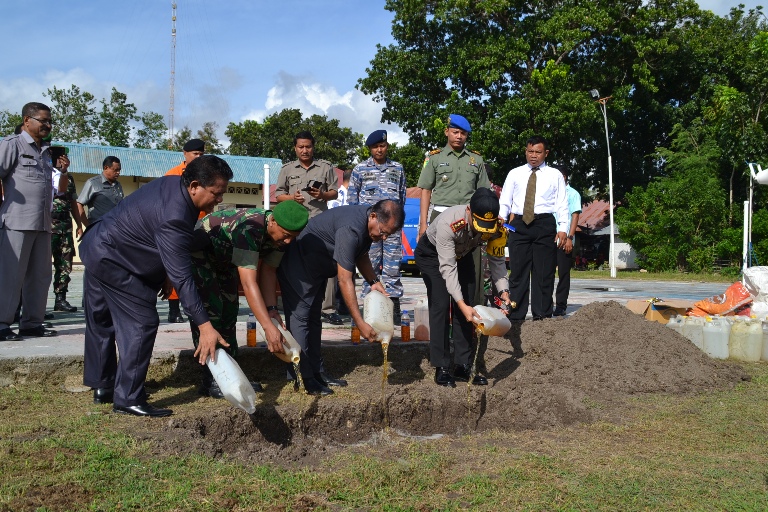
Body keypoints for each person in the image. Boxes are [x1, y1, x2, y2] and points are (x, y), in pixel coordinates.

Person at [80, 155, 233, 417]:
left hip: (97, 245)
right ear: (195, 185)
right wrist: (205, 326)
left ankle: (103, 386)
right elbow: (183, 277)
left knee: (101, 320)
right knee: (142, 322)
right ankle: (127, 398)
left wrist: (164, 271)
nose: (219, 200)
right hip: (115, 259)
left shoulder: (174, 184)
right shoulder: (176, 215)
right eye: (216, 194)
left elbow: (153, 233)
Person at [277, 199, 405, 396]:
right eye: (384, 232)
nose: (384, 237)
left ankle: (317, 372)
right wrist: (359, 322)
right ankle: (303, 378)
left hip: (315, 269)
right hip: (299, 265)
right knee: (300, 319)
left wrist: (373, 281)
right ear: (373, 216)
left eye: (389, 234)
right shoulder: (351, 229)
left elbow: (360, 254)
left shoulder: (368, 226)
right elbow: (345, 280)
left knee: (313, 320)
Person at [189, 200, 309, 398]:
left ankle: (232, 375)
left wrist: (271, 309)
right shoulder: (251, 228)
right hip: (201, 253)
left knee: (229, 312)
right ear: (272, 222)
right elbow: (248, 283)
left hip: (226, 260)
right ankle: (213, 379)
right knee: (211, 314)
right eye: (287, 236)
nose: (288, 241)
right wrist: (268, 327)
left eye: (292, 238)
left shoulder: (281, 235)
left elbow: (269, 272)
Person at [414, 188, 511, 387]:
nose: (483, 231)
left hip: (463, 254)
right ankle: (441, 366)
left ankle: (462, 365)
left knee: (469, 305)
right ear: (469, 211)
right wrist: (459, 303)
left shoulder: (496, 228)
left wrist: (504, 292)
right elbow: (448, 268)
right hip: (432, 256)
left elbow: (497, 261)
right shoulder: (449, 224)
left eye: (487, 227)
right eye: (479, 225)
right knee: (441, 304)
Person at [0, 103, 69, 341]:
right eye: (43, 120)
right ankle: (2, 324)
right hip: (17, 222)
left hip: (43, 223)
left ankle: (32, 323)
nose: (47, 125)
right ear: (27, 120)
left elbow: (56, 190)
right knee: (11, 276)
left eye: (50, 121)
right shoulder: (13, 145)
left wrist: (63, 171)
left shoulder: (46, 152)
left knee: (40, 276)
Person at [498, 135, 568, 321]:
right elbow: (505, 201)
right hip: (519, 225)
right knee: (518, 272)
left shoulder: (555, 175)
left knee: (543, 273)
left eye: (538, 152)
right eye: (530, 151)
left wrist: (563, 228)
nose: (533, 155)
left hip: (544, 225)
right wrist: (501, 220)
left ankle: (542, 314)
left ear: (546, 153)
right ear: (525, 151)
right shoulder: (515, 173)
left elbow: (562, 203)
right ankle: (516, 315)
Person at [274, 130, 339, 324]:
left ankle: (328, 309)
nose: (305, 150)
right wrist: (292, 198)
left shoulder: (325, 167)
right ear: (295, 148)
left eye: (308, 147)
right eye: (301, 147)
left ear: (313, 147)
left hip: (320, 223)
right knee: (294, 263)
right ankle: (297, 302)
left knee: (328, 264)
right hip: (295, 224)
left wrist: (323, 195)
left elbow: (335, 192)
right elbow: (278, 195)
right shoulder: (287, 169)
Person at [348, 130, 407, 324]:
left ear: (387, 146)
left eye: (382, 146)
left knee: (392, 266)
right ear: (370, 149)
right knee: (369, 266)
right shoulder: (360, 169)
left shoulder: (397, 169)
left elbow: (402, 197)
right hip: (369, 228)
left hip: (391, 227)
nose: (379, 149)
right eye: (375, 147)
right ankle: (370, 306)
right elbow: (352, 200)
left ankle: (393, 306)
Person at [164, 138, 207, 323]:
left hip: (201, 224)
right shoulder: (172, 174)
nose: (198, 157)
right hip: (179, 225)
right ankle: (174, 311)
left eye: (201, 154)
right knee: (177, 266)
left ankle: (197, 308)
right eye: (195, 154)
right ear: (184, 153)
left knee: (199, 268)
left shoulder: (207, 173)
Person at [51, 169, 84, 313]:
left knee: (65, 264)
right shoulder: (45, 172)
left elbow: (73, 202)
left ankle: (60, 299)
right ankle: (33, 305)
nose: (62, 159)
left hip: (65, 226)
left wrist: (78, 224)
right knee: (39, 266)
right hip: (47, 226)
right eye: (59, 157)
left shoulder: (69, 177)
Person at [553, 166, 582, 316]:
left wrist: (570, 237)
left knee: (563, 273)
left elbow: (575, 216)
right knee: (545, 272)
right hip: (549, 237)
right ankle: (545, 303)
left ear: (563, 177)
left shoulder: (573, 194)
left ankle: (561, 305)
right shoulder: (551, 192)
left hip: (565, 239)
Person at [77, 156, 124, 226]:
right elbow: (79, 204)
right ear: (106, 168)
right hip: (98, 229)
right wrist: (87, 227)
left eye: (119, 170)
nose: (118, 173)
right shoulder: (93, 183)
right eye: (115, 170)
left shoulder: (118, 185)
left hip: (115, 229)